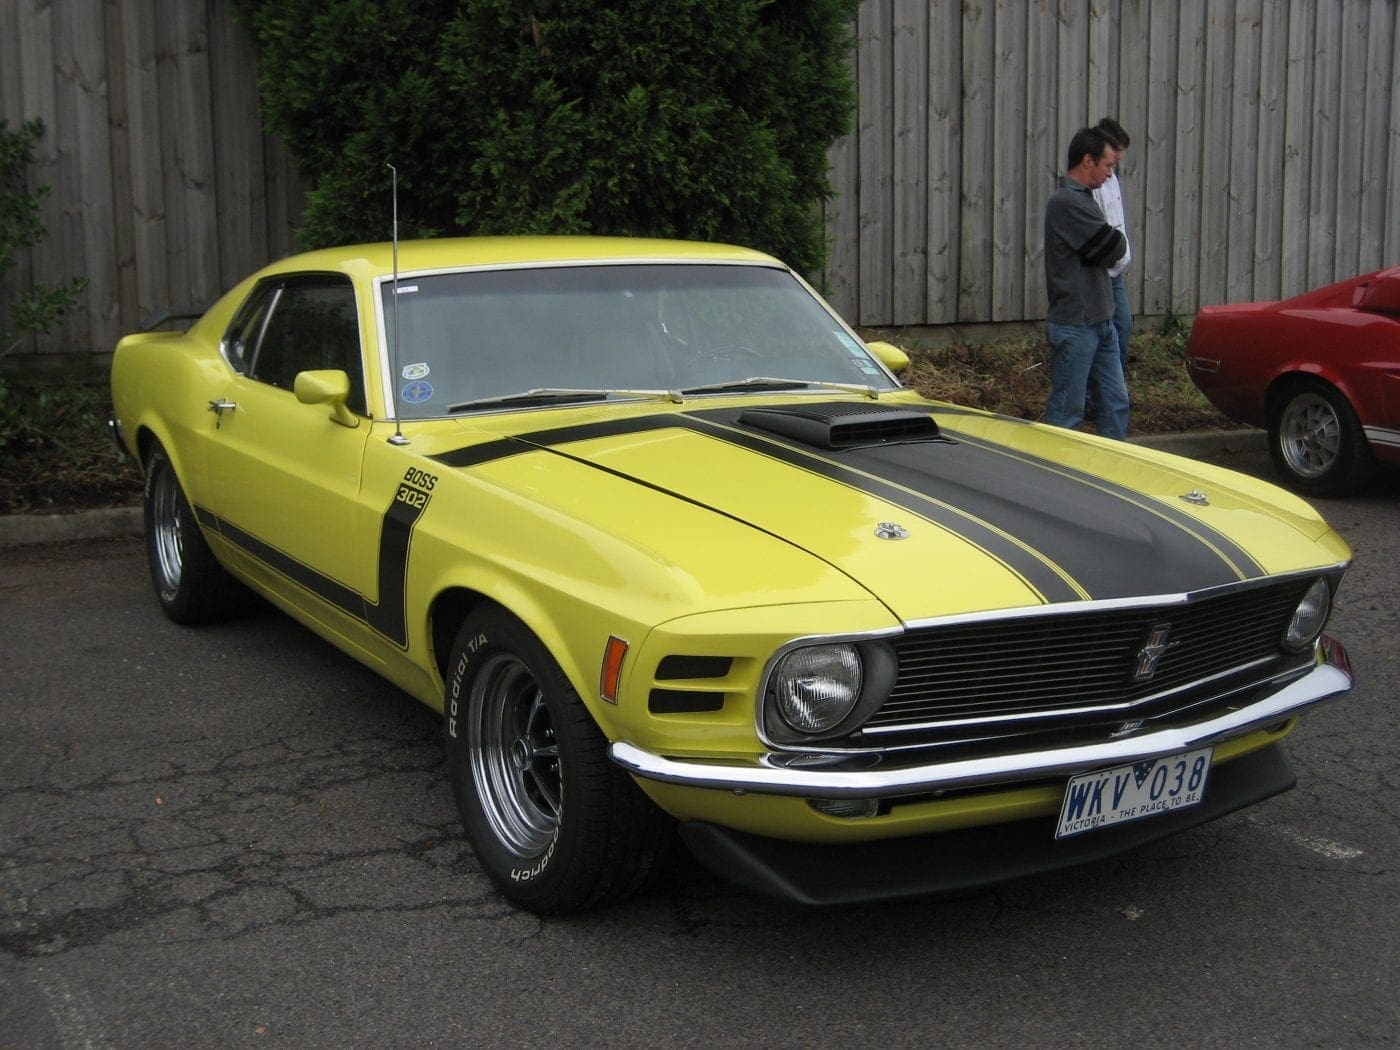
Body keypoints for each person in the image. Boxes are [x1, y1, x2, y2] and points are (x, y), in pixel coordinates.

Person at [1042, 126, 1129, 440]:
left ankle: (1113, 471)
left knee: (1116, 403)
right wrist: (1110, 239)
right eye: (1107, 166)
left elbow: (1110, 248)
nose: (1110, 174)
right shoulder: (1067, 202)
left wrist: (1108, 240)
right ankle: (1051, 474)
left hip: (1101, 319)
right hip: (1076, 323)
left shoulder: (1087, 200)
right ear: (1087, 161)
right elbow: (1113, 248)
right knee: (1067, 412)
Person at [1092, 117, 1133, 379]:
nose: (1115, 164)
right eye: (1112, 158)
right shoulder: (1092, 184)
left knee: (1123, 325)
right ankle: (1097, 391)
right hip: (1099, 269)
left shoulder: (1112, 180)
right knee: (1101, 332)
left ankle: (1113, 382)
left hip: (1116, 269)